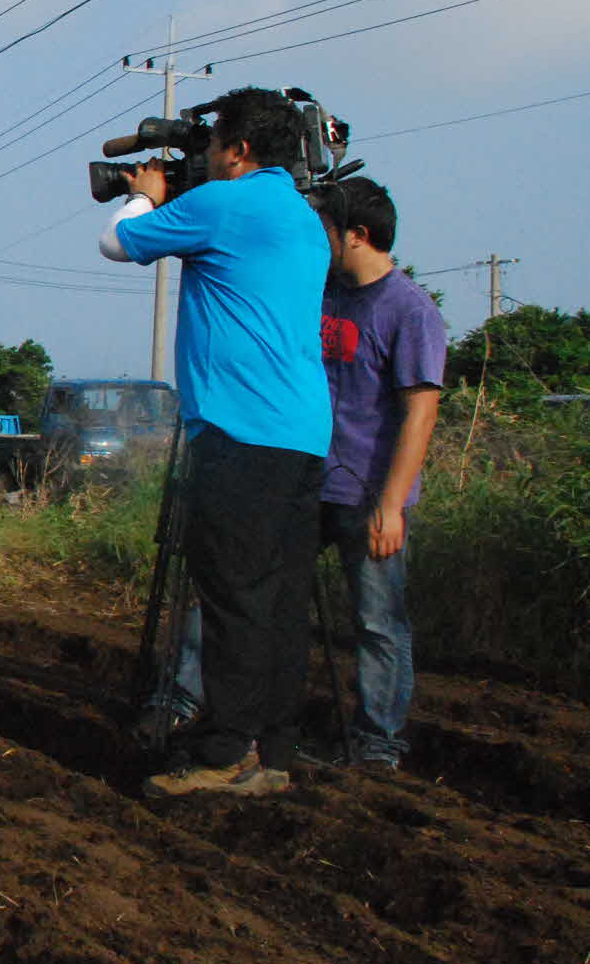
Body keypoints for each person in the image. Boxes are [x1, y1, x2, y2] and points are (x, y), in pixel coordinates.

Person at [141, 177, 444, 774]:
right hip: (297, 475)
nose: (313, 235)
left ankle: (378, 743)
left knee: (377, 622)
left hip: (366, 494)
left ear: (356, 235)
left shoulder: (410, 310)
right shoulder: (317, 291)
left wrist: (390, 505)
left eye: (325, 227)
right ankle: (189, 700)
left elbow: (420, 411)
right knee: (237, 594)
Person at [101, 88, 330, 797]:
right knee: (281, 600)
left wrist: (145, 195)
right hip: (301, 434)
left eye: (214, 144)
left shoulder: (224, 203)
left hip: (238, 431)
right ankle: (273, 752)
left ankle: (224, 751)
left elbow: (118, 242)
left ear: (238, 150)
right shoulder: (304, 216)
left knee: (233, 596)